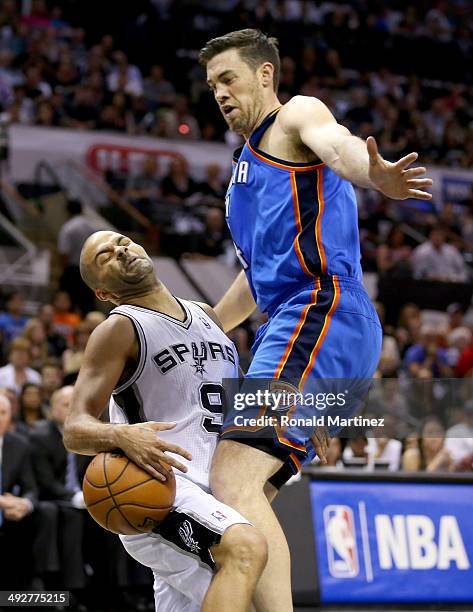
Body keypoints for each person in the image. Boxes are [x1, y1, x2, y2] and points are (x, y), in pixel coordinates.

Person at [199, 28, 433, 610]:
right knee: (237, 494)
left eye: (228, 79)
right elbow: (253, 281)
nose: (219, 93)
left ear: (264, 76)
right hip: (305, 325)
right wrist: (201, 324)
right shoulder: (243, 172)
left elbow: (340, 145)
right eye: (211, 86)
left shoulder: (295, 115)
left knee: (231, 479)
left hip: (319, 311)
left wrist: (372, 173)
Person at [64, 230, 267, 612]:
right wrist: (121, 436)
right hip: (160, 491)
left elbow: (256, 280)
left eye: (121, 241)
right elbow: (75, 428)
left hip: (216, 491)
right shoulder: (120, 327)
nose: (120, 251)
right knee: (245, 551)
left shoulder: (206, 316)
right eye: (104, 257)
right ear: (103, 293)